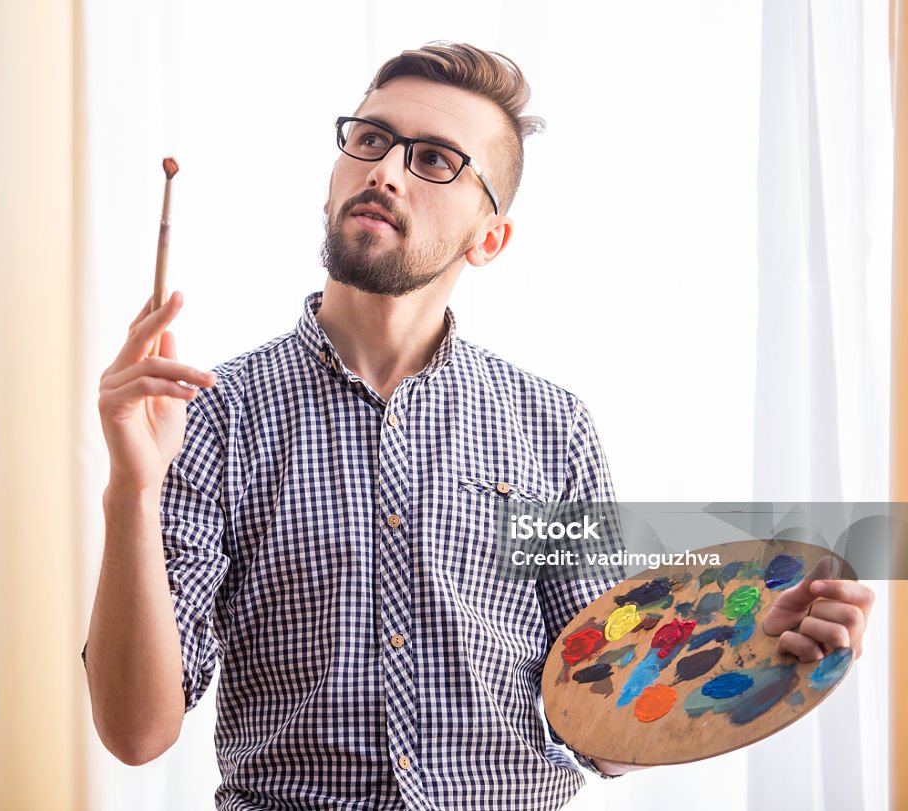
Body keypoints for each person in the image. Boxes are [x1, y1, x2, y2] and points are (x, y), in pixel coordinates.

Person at [81, 42, 876, 810]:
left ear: (489, 238)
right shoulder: (207, 414)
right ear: (330, 184)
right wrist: (133, 488)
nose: (385, 170)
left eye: (435, 160)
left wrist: (749, 642)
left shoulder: (551, 426)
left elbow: (605, 718)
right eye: (370, 140)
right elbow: (135, 732)